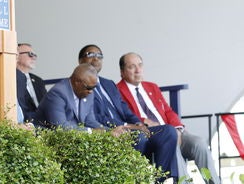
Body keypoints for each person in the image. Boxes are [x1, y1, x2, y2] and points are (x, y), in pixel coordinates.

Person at [78, 44, 179, 182]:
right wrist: (126, 125)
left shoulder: (109, 83)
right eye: (91, 55)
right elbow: (94, 117)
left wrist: (138, 123)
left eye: (99, 55)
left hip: (129, 127)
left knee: (168, 131)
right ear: (80, 61)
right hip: (109, 130)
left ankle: (163, 179)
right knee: (139, 137)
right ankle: (139, 179)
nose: (96, 58)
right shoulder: (80, 85)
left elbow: (125, 109)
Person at [117, 52, 220, 184]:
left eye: (140, 65)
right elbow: (124, 115)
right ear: (122, 72)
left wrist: (177, 128)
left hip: (173, 130)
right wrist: (143, 121)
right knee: (172, 144)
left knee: (199, 143)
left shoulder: (151, 86)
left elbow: (168, 111)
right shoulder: (117, 90)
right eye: (132, 67)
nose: (138, 70)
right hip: (152, 136)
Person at [34, 63, 101, 129]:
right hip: (49, 136)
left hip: (76, 135)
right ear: (77, 82)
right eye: (89, 87)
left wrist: (107, 131)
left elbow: (90, 121)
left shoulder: (88, 92)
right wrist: (90, 132)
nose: (91, 91)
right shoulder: (57, 93)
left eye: (94, 87)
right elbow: (60, 126)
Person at [16, 43, 47, 122]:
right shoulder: (11, 78)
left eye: (35, 55)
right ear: (17, 55)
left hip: (44, 122)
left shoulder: (38, 80)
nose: (34, 57)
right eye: (30, 54)